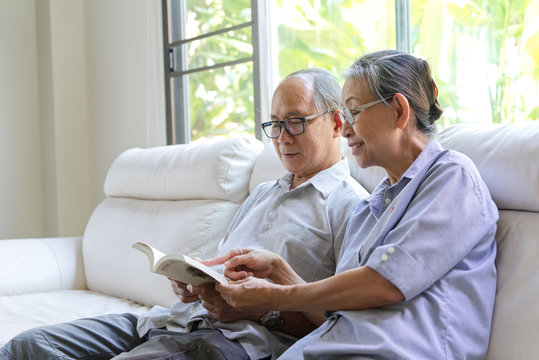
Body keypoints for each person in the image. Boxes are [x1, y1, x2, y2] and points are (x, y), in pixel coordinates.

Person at [0, 68, 368, 360]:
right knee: (27, 347)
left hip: (235, 340)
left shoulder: (350, 206)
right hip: (169, 320)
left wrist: (260, 310)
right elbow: (223, 270)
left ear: (337, 122)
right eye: (274, 123)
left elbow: (341, 326)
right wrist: (195, 282)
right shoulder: (261, 194)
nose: (282, 137)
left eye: (296, 121)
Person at [208, 50, 499, 359]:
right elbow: (332, 316)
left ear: (399, 111)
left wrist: (276, 296)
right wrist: (279, 270)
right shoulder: (368, 211)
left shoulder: (452, 175)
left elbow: (385, 283)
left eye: (354, 112)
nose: (345, 129)